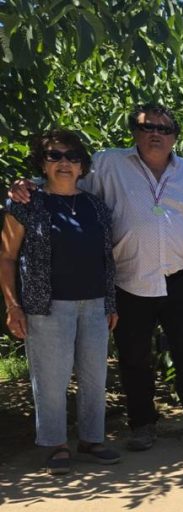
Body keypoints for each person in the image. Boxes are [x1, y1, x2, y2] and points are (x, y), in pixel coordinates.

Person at [10, 103, 183, 451]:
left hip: (178, 278)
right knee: (133, 356)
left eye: (164, 128)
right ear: (135, 132)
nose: (156, 133)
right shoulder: (110, 163)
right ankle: (143, 425)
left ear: (175, 136)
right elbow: (65, 181)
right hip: (128, 278)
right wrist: (27, 186)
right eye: (147, 126)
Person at [1, 130, 120, 475]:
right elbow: (6, 257)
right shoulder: (25, 203)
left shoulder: (95, 205)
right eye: (55, 156)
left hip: (95, 302)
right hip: (47, 306)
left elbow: (106, 258)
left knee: (95, 376)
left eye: (72, 157)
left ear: (82, 166)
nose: (64, 163)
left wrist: (110, 302)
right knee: (51, 379)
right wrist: (13, 306)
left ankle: (91, 439)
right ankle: (55, 444)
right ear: (43, 163)